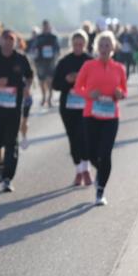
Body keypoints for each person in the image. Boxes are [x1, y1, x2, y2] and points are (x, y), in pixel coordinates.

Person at [75, 31, 127, 206]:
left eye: (108, 45)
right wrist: (89, 94)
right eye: (101, 45)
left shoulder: (119, 68)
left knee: (105, 153)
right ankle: (101, 172)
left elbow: (124, 91)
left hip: (111, 116)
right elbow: (77, 88)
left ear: (113, 48)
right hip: (91, 114)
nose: (104, 48)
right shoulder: (88, 66)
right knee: (91, 153)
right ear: (97, 48)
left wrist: (120, 94)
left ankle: (100, 190)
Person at [0, 29, 33, 192]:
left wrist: (27, 88)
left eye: (12, 39)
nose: (8, 42)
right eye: (6, 39)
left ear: (15, 41)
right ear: (1, 41)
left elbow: (29, 76)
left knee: (11, 142)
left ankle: (7, 177)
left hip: (15, 107)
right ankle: (0, 163)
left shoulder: (21, 59)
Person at [52, 30, 93, 185]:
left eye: (81, 44)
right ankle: (78, 171)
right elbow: (55, 85)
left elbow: (97, 84)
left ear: (85, 44)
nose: (78, 47)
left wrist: (82, 81)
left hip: (86, 106)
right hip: (68, 107)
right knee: (73, 138)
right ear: (71, 44)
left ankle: (87, 169)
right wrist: (68, 81)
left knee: (85, 138)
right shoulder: (64, 62)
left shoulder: (90, 61)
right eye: (75, 44)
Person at [31, 20, 61, 108]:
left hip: (50, 62)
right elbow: (33, 48)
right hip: (40, 62)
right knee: (41, 81)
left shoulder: (53, 37)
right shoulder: (39, 37)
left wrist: (55, 54)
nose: (45, 28)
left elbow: (57, 48)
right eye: (44, 27)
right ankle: (44, 97)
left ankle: (49, 98)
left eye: (47, 27)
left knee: (50, 81)